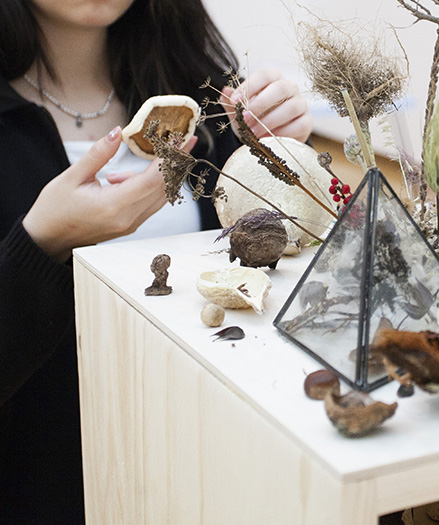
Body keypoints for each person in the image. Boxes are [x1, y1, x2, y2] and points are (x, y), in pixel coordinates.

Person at [0, 0, 313, 521]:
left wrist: (278, 160)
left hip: (206, 467)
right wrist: (41, 244)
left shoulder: (199, 94)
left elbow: (254, 282)